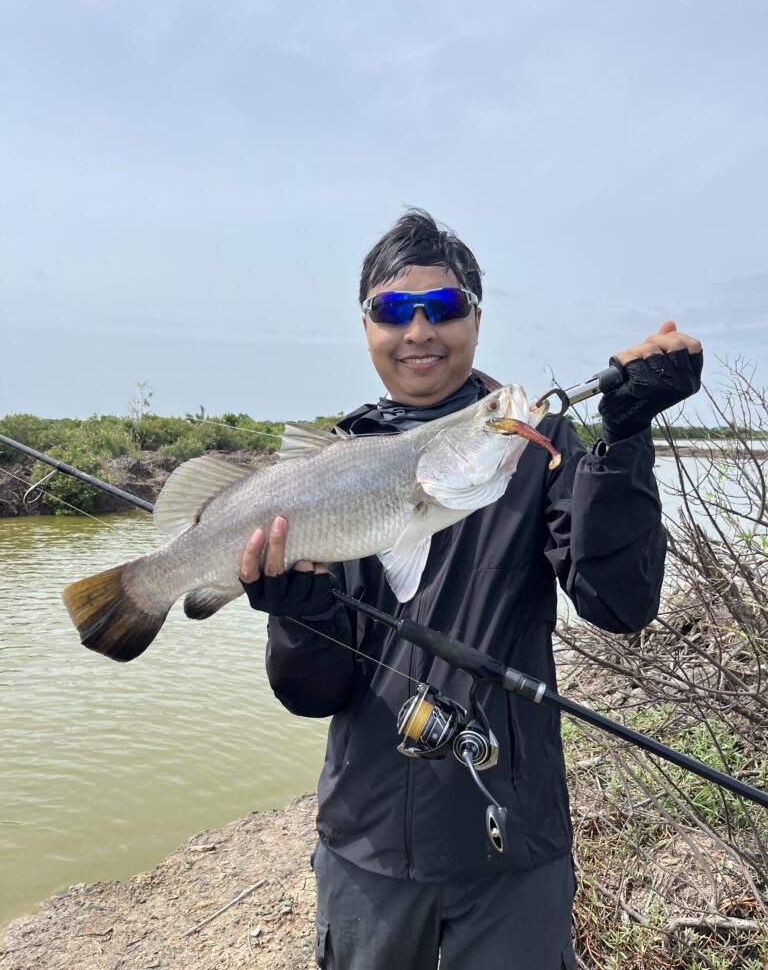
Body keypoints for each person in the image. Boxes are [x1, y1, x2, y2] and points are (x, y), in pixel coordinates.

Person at [239, 210, 703, 970]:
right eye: (394, 309)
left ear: (477, 320)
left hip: (513, 847)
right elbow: (311, 694)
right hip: (365, 848)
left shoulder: (534, 444)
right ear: (366, 327)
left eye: (444, 307)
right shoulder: (330, 469)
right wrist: (301, 615)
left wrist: (622, 438)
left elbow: (620, 604)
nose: (419, 330)